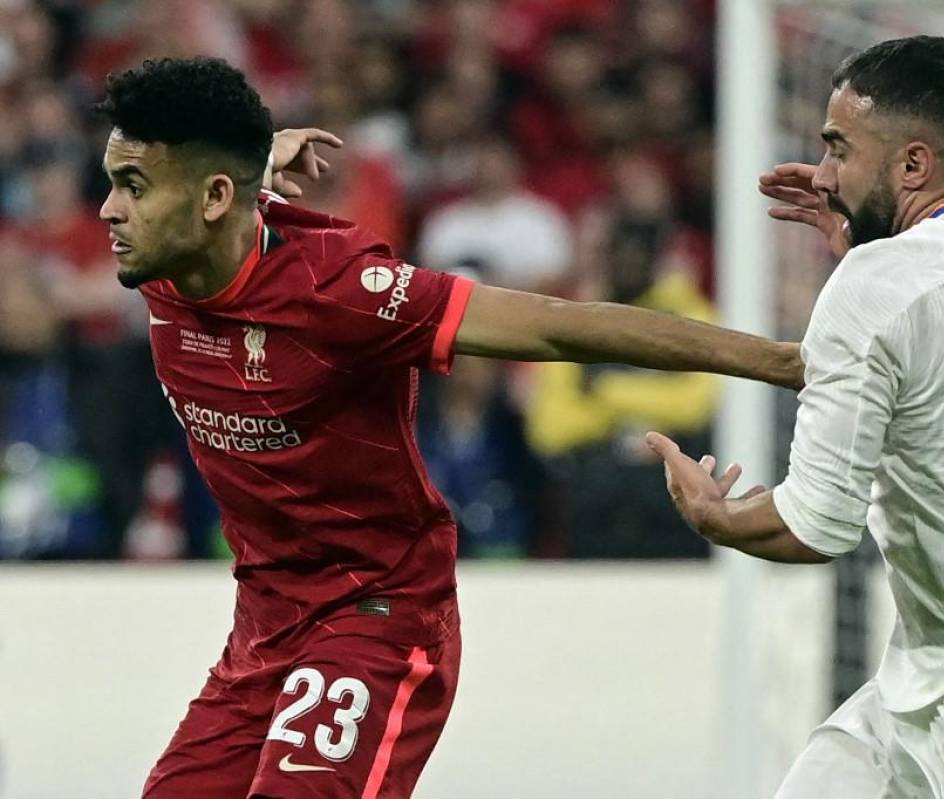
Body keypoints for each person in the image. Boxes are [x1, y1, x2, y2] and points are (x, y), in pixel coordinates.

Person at [94, 57, 801, 799]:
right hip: (265, 624)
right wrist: (259, 151)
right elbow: (225, 198)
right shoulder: (171, 258)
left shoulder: (340, 293)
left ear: (211, 199)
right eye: (113, 180)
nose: (110, 210)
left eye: (132, 187)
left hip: (377, 610)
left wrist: (782, 361)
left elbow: (562, 328)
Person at [647, 36, 944, 798]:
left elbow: (815, 526)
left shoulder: (881, 282)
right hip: (930, 682)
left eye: (839, 148)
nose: (827, 174)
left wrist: (715, 514)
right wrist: (872, 253)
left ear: (912, 166)